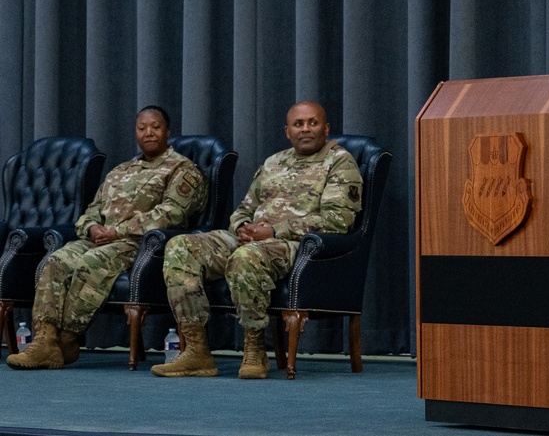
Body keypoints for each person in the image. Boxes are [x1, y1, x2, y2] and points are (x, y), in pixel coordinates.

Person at [150, 101, 363, 379]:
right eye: (298, 124)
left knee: (246, 257)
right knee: (180, 247)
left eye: (313, 123)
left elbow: (337, 221)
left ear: (326, 128)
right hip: (252, 239)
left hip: (296, 247)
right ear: (288, 131)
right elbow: (242, 210)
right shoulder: (273, 162)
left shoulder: (339, 162)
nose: (306, 129)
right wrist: (243, 227)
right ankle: (196, 350)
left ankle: (255, 348)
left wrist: (274, 232)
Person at [6, 106, 208, 370]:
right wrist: (91, 228)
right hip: (99, 238)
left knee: (91, 262)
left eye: (155, 127)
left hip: (138, 244)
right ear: (135, 132)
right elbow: (92, 210)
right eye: (142, 128)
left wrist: (118, 231)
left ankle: (67, 338)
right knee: (54, 261)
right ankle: (44, 340)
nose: (148, 133)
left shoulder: (182, 170)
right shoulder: (120, 170)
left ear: (167, 131)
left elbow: (172, 214)